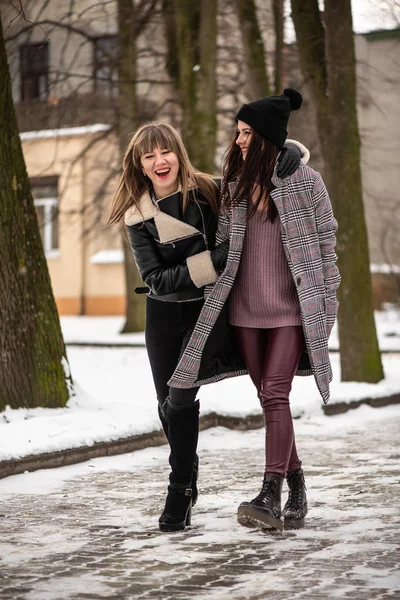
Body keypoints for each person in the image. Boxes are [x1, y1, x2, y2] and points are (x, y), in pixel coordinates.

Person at [108, 121, 307, 532]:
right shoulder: (137, 215)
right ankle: (189, 470)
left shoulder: (211, 190)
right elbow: (157, 280)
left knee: (186, 397)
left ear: (178, 153)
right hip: (163, 316)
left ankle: (180, 487)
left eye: (166, 152)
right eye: (149, 156)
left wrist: (292, 151)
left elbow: (261, 168)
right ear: (141, 166)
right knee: (167, 405)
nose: (160, 161)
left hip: (208, 310)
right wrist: (216, 261)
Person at [168, 89, 340, 532]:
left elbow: (326, 246)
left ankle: (271, 490)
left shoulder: (307, 182)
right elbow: (225, 244)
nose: (240, 139)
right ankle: (297, 481)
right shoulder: (235, 183)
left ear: (267, 136)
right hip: (244, 309)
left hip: (291, 310)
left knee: (277, 394)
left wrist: (325, 302)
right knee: (267, 398)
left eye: (247, 132)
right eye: (238, 131)